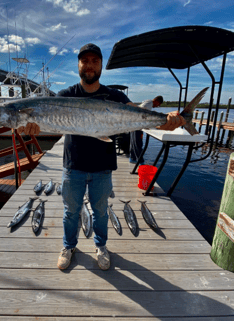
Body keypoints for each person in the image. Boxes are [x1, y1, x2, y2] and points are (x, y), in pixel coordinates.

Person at [18, 43, 186, 271]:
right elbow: (48, 120)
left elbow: (135, 111)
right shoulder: (65, 96)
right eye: (85, 61)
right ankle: (68, 246)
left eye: (94, 61)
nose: (89, 65)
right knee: (70, 212)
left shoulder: (115, 96)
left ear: (100, 66)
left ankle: (101, 247)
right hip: (73, 166)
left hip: (102, 167)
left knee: (100, 212)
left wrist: (165, 120)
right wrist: (32, 127)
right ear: (78, 64)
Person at [129, 96, 163, 165]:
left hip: (133, 124)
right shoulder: (149, 104)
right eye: (158, 105)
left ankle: (133, 158)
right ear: (157, 101)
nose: (157, 106)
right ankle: (140, 161)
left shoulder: (147, 102)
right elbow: (142, 115)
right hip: (137, 126)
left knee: (133, 143)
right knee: (138, 143)